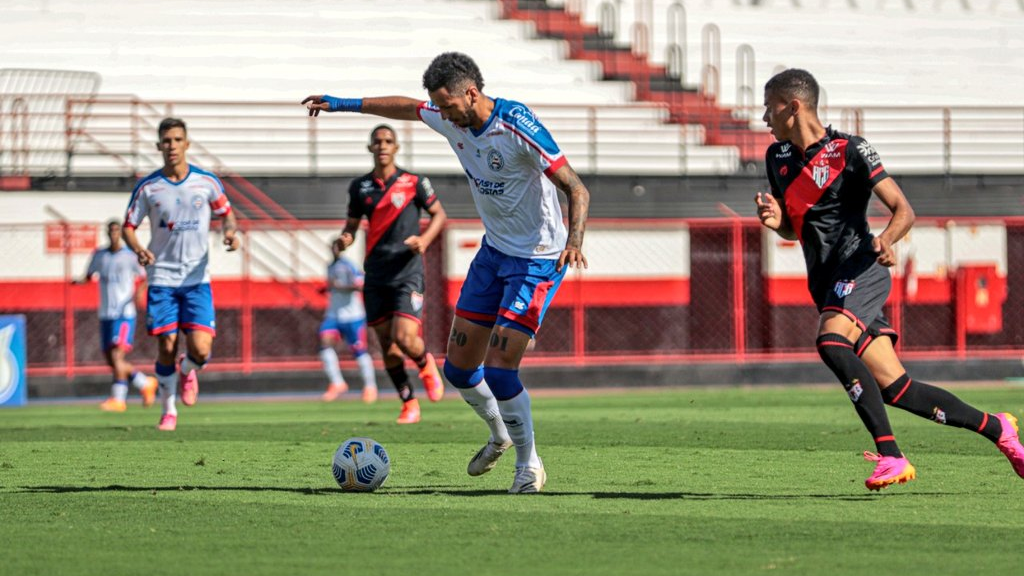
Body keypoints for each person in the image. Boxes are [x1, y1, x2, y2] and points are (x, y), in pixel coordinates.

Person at [303, 51, 591, 493]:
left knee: (499, 370)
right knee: (458, 370)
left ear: (470, 93)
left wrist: (573, 242)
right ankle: (497, 435)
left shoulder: (516, 125)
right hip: (493, 254)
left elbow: (575, 186)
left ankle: (528, 463)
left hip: (537, 260)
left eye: (448, 105)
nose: (444, 114)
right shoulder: (449, 117)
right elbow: (404, 107)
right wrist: (344, 104)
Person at [755, 68, 1024, 490]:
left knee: (830, 342)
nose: (764, 118)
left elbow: (904, 210)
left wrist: (885, 239)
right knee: (897, 388)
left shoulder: (852, 149)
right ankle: (998, 429)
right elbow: (796, 227)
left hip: (862, 269)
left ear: (794, 106)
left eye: (769, 108)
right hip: (827, 284)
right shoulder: (779, 159)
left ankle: (891, 455)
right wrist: (777, 224)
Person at [122, 117, 240, 431]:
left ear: (186, 144)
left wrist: (230, 233)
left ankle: (188, 370)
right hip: (161, 279)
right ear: (159, 146)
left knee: (200, 349)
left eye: (177, 140)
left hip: (196, 279)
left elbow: (227, 215)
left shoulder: (207, 182)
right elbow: (128, 228)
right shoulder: (149, 187)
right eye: (166, 141)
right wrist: (138, 249)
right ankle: (168, 409)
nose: (171, 146)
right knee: (166, 346)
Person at [333, 124, 447, 424]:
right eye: (377, 141)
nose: (382, 145)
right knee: (388, 345)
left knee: (405, 337)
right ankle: (408, 402)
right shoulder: (360, 187)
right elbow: (351, 226)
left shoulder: (414, 182)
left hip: (407, 271)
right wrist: (345, 239)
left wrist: (424, 240)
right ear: (370, 147)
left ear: (396, 147)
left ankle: (425, 364)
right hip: (376, 274)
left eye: (388, 141)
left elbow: (439, 215)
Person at [77, 219, 158, 412]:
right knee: (111, 360)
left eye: (116, 231)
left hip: (124, 313)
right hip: (106, 314)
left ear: (120, 234)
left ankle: (118, 399)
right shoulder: (100, 255)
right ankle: (145, 383)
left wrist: (140, 291)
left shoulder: (129, 256)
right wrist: (77, 281)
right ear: (107, 233)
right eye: (111, 231)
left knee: (117, 355)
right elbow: (89, 276)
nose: (114, 234)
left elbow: (147, 276)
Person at [319, 243, 379, 403]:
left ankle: (370, 387)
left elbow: (360, 285)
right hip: (333, 314)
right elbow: (333, 286)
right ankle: (337, 383)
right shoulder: (330, 266)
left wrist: (341, 287)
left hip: (353, 316)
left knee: (359, 351)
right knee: (325, 344)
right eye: (332, 247)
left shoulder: (348, 265)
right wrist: (328, 289)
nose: (334, 250)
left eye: (337, 247)